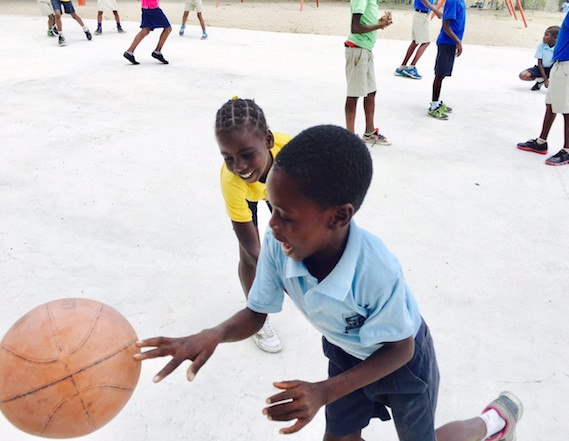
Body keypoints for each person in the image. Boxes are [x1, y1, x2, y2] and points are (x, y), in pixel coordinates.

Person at [135, 124, 524, 441]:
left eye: (285, 215)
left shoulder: (375, 269)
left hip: (403, 363)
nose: (271, 224)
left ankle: (492, 422)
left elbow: (400, 349)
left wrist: (323, 391)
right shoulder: (278, 244)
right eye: (272, 208)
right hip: (345, 353)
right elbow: (256, 312)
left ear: (338, 217)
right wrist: (213, 334)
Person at [213, 97, 289, 353]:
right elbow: (253, 249)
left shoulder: (292, 151)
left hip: (280, 186)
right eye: (228, 158)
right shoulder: (232, 182)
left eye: (247, 155)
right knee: (249, 258)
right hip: (250, 197)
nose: (240, 167)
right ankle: (257, 315)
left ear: (268, 141)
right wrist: (282, 278)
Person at [516, 0, 569, 166]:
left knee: (567, 108)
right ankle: (541, 142)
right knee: (551, 104)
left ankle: (567, 151)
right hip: (560, 63)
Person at [344, 0, 392, 147]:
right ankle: (349, 137)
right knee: (353, 95)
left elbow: (365, 24)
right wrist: (380, 25)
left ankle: (370, 132)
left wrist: (380, 22)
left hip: (366, 49)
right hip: (357, 50)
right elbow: (355, 27)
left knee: (371, 92)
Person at [427, 0, 466, 120]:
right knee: (439, 74)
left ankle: (437, 102)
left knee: (442, 74)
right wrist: (458, 41)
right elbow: (445, 25)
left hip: (451, 43)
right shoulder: (453, 1)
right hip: (446, 42)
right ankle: (434, 106)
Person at [395, 0, 442, 80]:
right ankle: (411, 67)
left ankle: (402, 67)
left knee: (415, 42)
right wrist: (435, 10)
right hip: (421, 15)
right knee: (426, 42)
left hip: (421, 14)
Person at [123, 0, 172, 65]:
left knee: (145, 30)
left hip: (146, 7)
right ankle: (157, 51)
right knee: (168, 29)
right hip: (152, 7)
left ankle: (130, 51)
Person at [518, 26, 559, 91]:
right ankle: (540, 80)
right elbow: (539, 63)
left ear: (555, 38)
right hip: (541, 68)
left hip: (553, 70)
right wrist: (545, 79)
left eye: (546, 35)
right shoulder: (541, 46)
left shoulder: (558, 48)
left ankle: (552, 84)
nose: (543, 37)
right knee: (523, 75)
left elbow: (557, 63)